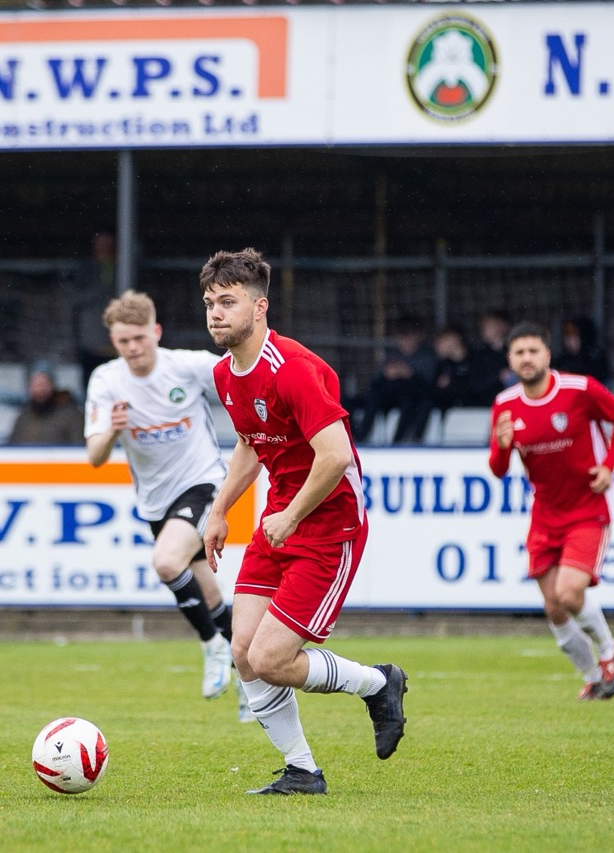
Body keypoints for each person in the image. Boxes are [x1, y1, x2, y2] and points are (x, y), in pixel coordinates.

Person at [200, 247, 408, 796]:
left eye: (228, 302)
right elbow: (250, 442)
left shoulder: (291, 369)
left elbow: (334, 456)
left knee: (271, 658)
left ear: (260, 306)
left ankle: (378, 683)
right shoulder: (225, 373)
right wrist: (220, 510)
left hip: (329, 525)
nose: (216, 313)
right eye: (210, 303)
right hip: (281, 518)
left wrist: (292, 515)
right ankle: (302, 771)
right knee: (244, 651)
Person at [84, 291, 246, 719]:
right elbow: (95, 456)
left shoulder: (188, 367)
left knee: (165, 562)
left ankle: (212, 646)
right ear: (114, 342)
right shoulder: (106, 381)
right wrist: (112, 429)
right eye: (124, 341)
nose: (133, 348)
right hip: (156, 503)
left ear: (156, 332)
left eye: (139, 338)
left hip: (202, 483)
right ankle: (253, 680)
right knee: (210, 595)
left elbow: (243, 377)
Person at [488, 321, 614, 701]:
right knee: (553, 606)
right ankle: (592, 677)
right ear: (510, 360)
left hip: (587, 508)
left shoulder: (579, 389)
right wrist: (503, 446)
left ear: (547, 355)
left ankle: (608, 651)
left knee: (569, 592)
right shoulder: (505, 404)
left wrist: (609, 467)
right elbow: (498, 469)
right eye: (519, 352)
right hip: (545, 514)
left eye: (533, 351)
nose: (527, 358)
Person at [350, 314, 438, 444]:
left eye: (409, 335)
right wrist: (386, 374)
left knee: (409, 401)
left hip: (412, 398)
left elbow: (428, 385)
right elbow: (374, 382)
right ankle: (359, 436)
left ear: (418, 336)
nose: (406, 340)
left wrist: (409, 374)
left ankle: (399, 441)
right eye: (403, 336)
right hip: (389, 396)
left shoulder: (426, 356)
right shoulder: (392, 354)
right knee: (360, 400)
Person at [72, 227, 119, 390]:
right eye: (100, 243)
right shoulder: (86, 269)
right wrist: (100, 293)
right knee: (91, 388)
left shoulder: (124, 266)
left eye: (108, 243)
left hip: (115, 344)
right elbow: (76, 298)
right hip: (91, 344)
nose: (104, 247)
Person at [7, 363, 85, 445]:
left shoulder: (71, 416)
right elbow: (11, 448)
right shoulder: (23, 418)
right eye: (36, 385)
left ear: (52, 386)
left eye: (43, 384)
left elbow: (79, 447)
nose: (40, 389)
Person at [431, 325, 501, 413]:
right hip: (455, 414)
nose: (438, 346)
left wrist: (453, 383)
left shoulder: (480, 357)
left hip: (482, 411)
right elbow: (436, 395)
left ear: (454, 338)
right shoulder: (444, 366)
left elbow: (480, 386)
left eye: (441, 341)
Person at [552, 316, 611, 384]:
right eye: (567, 335)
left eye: (575, 334)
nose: (570, 339)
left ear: (584, 335)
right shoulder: (562, 361)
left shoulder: (595, 359)